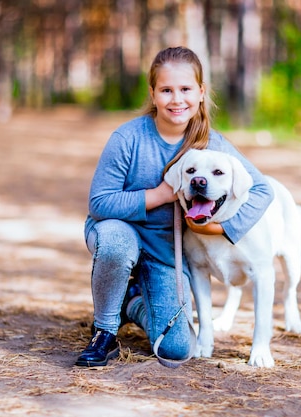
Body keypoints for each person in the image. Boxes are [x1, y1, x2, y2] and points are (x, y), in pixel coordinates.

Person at [75, 46, 274, 367]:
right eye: (166, 90)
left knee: (178, 348)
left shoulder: (212, 144)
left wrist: (221, 228)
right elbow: (99, 203)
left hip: (168, 249)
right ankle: (105, 331)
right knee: (116, 243)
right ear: (153, 94)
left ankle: (134, 302)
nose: (176, 99)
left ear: (200, 93)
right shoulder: (128, 138)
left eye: (185, 90)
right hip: (119, 230)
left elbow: (263, 189)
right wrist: (161, 194)